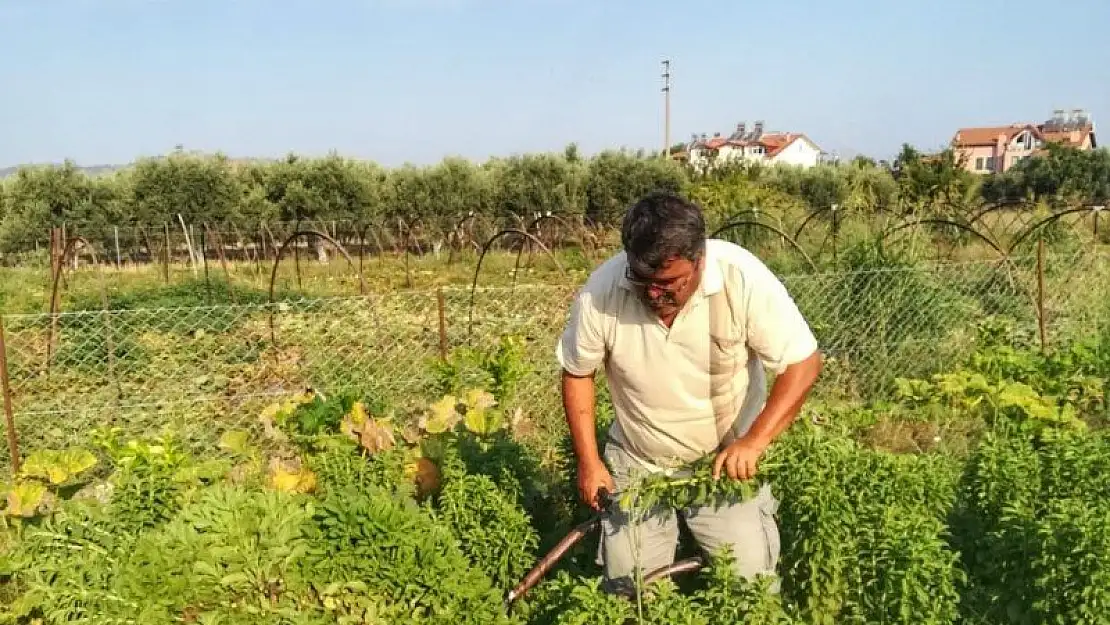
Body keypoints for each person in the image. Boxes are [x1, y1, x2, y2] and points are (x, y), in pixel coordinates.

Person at [555, 191, 822, 593]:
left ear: (699, 261)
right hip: (639, 462)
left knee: (749, 586)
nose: (652, 294)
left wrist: (753, 443)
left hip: (722, 463)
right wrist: (590, 462)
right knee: (632, 592)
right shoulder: (603, 291)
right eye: (641, 279)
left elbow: (803, 362)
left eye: (666, 283)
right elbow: (577, 373)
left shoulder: (739, 277)